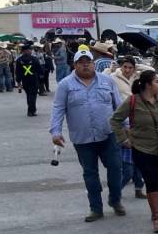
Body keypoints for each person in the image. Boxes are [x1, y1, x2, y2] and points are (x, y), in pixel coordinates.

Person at [50, 48, 126, 222]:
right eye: (81, 63)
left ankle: (115, 200)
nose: (85, 65)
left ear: (93, 63)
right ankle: (95, 208)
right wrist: (55, 131)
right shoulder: (66, 84)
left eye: (88, 62)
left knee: (116, 168)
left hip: (108, 134)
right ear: (75, 65)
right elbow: (58, 108)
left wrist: (126, 126)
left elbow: (119, 106)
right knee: (90, 174)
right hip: (82, 138)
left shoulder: (107, 81)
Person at [110, 69, 158, 233]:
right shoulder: (133, 101)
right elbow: (115, 120)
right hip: (142, 148)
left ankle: (157, 212)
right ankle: (157, 217)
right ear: (147, 85)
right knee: (152, 180)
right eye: (157, 81)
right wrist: (123, 139)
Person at [14, 44, 41, 116]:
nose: (31, 51)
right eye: (29, 50)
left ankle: (31, 110)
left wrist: (18, 81)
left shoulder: (19, 60)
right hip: (33, 79)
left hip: (25, 80)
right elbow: (39, 69)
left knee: (29, 95)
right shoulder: (34, 59)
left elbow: (17, 72)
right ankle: (31, 110)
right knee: (33, 95)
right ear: (25, 51)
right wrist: (40, 77)